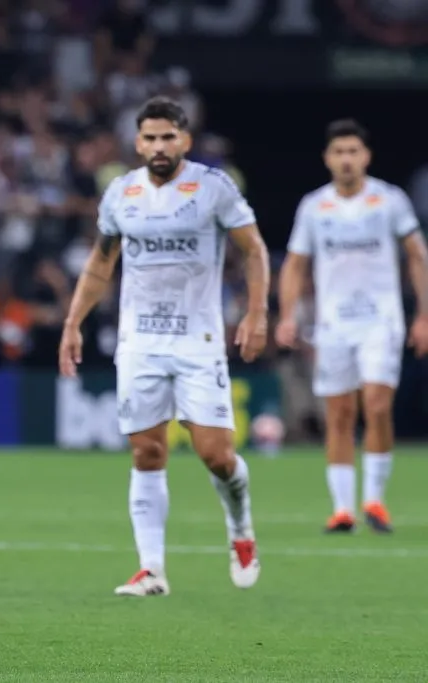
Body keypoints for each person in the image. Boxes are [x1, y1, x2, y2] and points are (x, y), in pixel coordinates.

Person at [58, 96, 269, 597]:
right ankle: (151, 569)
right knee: (147, 452)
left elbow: (254, 249)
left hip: (198, 340)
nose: (158, 146)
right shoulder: (121, 193)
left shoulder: (213, 188)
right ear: (137, 143)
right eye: (149, 138)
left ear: (185, 140)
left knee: (216, 455)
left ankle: (241, 530)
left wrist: (258, 312)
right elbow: (100, 264)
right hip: (140, 342)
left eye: (168, 137)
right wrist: (73, 322)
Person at [276, 119, 428, 534]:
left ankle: (374, 500)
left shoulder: (389, 200)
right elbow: (295, 264)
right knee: (339, 413)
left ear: (366, 156)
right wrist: (287, 315)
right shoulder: (314, 206)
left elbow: (417, 254)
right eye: (339, 152)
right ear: (328, 158)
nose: (346, 159)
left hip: (381, 318)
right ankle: (342, 509)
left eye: (353, 152)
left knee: (377, 405)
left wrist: (424, 315)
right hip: (334, 323)